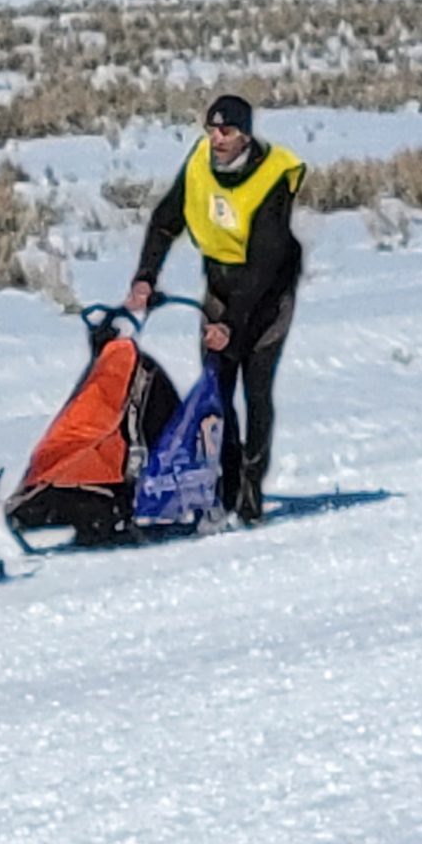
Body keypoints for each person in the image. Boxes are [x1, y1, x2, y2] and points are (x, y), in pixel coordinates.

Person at [127, 94, 304, 524]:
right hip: (222, 289)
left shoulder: (272, 179)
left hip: (266, 296)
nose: (216, 139)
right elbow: (167, 220)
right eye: (211, 130)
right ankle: (224, 482)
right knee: (217, 388)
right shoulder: (199, 163)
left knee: (255, 389)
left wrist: (228, 323)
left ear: (245, 134)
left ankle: (251, 483)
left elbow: (264, 266)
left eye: (226, 132)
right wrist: (146, 276)